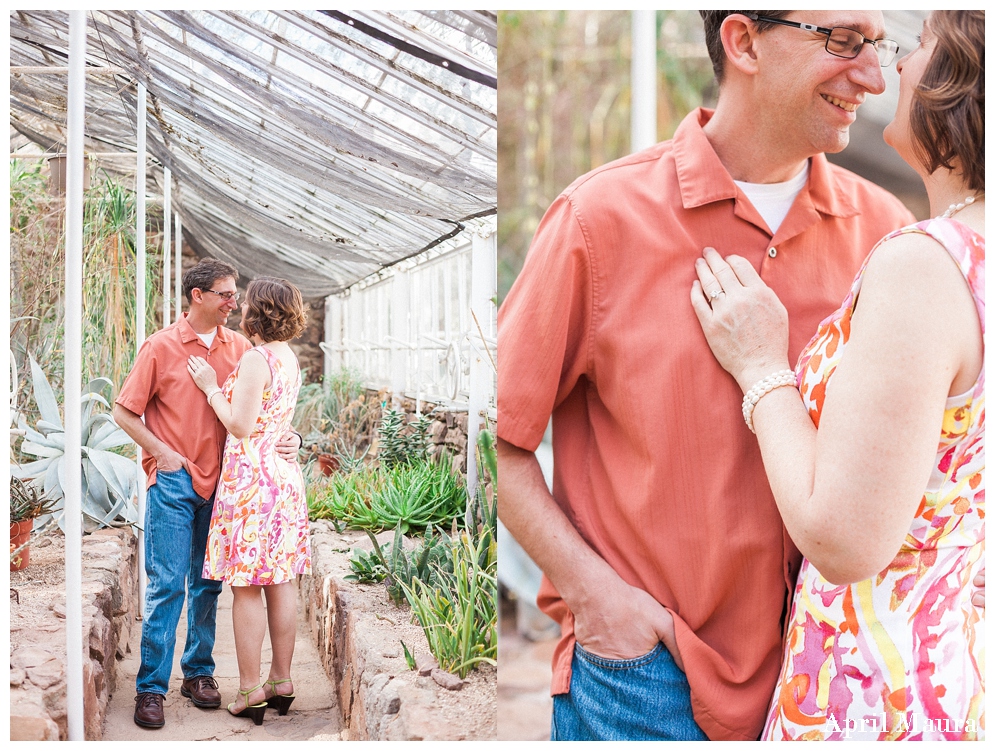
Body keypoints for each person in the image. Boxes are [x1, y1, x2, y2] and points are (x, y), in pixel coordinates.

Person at [497, 11, 919, 742]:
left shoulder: (887, 239)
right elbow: (494, 441)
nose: (873, 76)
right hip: (648, 678)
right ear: (743, 40)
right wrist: (598, 598)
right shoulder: (598, 220)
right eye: (843, 42)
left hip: (831, 683)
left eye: (878, 47)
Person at [690, 10, 984, 740]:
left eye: (917, 48)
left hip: (872, 693)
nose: (887, 73)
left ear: (963, 82)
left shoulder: (924, 261)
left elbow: (843, 539)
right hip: (946, 670)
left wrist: (761, 368)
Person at [114, 259, 301, 729]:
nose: (232, 302)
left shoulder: (242, 348)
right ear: (197, 296)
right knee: (166, 586)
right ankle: (151, 688)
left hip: (227, 484)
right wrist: (162, 454)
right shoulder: (159, 347)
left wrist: (293, 437)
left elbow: (261, 410)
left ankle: (199, 674)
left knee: (208, 585)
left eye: (237, 294)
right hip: (176, 481)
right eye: (224, 294)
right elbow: (124, 412)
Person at [187, 277, 311, 726]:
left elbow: (240, 425)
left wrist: (209, 387)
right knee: (281, 581)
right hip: (283, 478)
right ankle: (282, 680)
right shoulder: (289, 357)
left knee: (246, 588)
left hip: (251, 482)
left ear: (256, 312)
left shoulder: (257, 359)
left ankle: (249, 689)